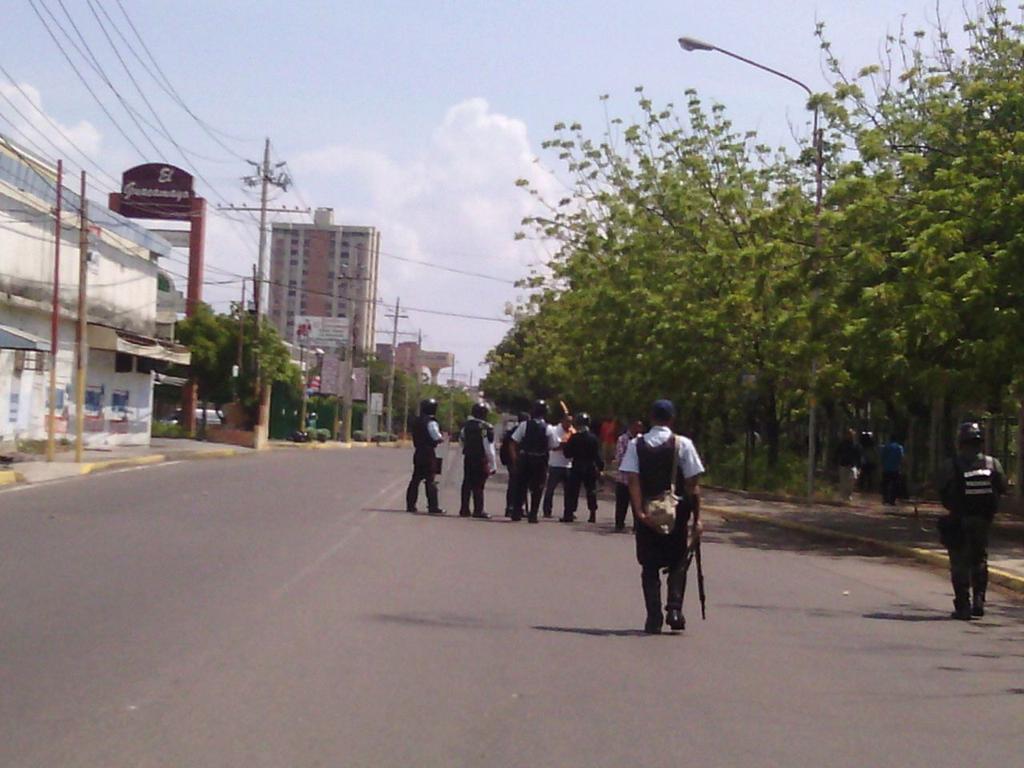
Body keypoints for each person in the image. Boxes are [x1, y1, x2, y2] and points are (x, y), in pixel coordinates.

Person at [620, 400, 705, 634]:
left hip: (648, 512)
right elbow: (692, 484)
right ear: (672, 419)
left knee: (649, 565)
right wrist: (697, 518)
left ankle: (653, 616)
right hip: (676, 512)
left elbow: (633, 480)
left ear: (651, 417)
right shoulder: (683, 444)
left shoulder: (636, 445)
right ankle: (675, 610)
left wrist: (639, 511)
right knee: (678, 561)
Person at [936, 422, 1007, 620]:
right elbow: (1002, 487)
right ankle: (979, 601)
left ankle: (963, 605)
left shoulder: (952, 465)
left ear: (961, 442)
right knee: (979, 560)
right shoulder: (993, 464)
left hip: (959, 519)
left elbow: (941, 489)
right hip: (983, 521)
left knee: (959, 562)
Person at [509, 400, 557, 523]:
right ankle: (533, 514)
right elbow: (553, 444)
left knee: (521, 486)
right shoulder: (549, 428)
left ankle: (517, 512)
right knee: (538, 487)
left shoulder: (524, 425)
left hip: (525, 458)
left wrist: (515, 459)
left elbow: (514, 441)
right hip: (540, 460)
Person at [563, 412, 605, 523]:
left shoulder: (574, 437)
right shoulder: (593, 438)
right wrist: (600, 468)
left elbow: (567, 454)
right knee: (591, 490)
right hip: (590, 466)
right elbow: (597, 455)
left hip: (577, 466)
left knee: (572, 491)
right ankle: (592, 513)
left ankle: (569, 513)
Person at [406, 398, 445, 515]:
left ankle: (410, 505)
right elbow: (437, 437)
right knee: (430, 480)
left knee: (415, 479)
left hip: (418, 452)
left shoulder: (416, 421)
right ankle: (433, 506)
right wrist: (441, 438)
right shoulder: (431, 422)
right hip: (428, 453)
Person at [459, 402, 497, 518]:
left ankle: (464, 509)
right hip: (480, 459)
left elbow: (462, 440)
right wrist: (493, 464)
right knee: (478, 485)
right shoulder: (484, 428)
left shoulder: (466, 426)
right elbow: (488, 446)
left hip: (468, 457)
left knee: (467, 483)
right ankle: (478, 510)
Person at [542, 412, 575, 518]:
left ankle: (569, 512)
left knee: (569, 491)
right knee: (550, 489)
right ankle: (547, 511)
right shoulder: (554, 430)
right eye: (567, 421)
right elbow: (551, 446)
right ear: (562, 421)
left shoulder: (572, 432)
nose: (569, 424)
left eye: (571, 422)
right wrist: (562, 446)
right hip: (555, 464)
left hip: (568, 464)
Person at [614, 419, 645, 531]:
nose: (638, 429)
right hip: (624, 478)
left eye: (640, 427)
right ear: (631, 426)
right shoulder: (622, 439)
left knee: (637, 503)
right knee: (621, 503)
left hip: (638, 479)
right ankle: (619, 524)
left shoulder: (643, 440)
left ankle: (638, 526)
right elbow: (619, 456)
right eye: (637, 426)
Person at [499, 413, 526, 517]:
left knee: (513, 484)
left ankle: (511, 507)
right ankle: (516, 507)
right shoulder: (522, 431)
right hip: (517, 461)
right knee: (520, 484)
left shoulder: (511, 431)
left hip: (512, 461)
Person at [835, 428, 862, 501]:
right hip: (843, 464)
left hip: (852, 465)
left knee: (852, 481)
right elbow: (837, 453)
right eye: (848, 434)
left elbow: (859, 456)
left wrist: (859, 466)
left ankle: (849, 494)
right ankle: (843, 496)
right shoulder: (842, 444)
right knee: (843, 481)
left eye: (851, 434)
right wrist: (836, 461)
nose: (850, 436)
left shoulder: (856, 445)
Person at [879, 436, 905, 505]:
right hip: (895, 469)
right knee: (895, 485)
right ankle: (892, 500)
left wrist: (882, 466)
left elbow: (882, 457)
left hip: (886, 469)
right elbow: (902, 458)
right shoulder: (899, 448)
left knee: (885, 485)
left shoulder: (886, 447)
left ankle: (885, 499)